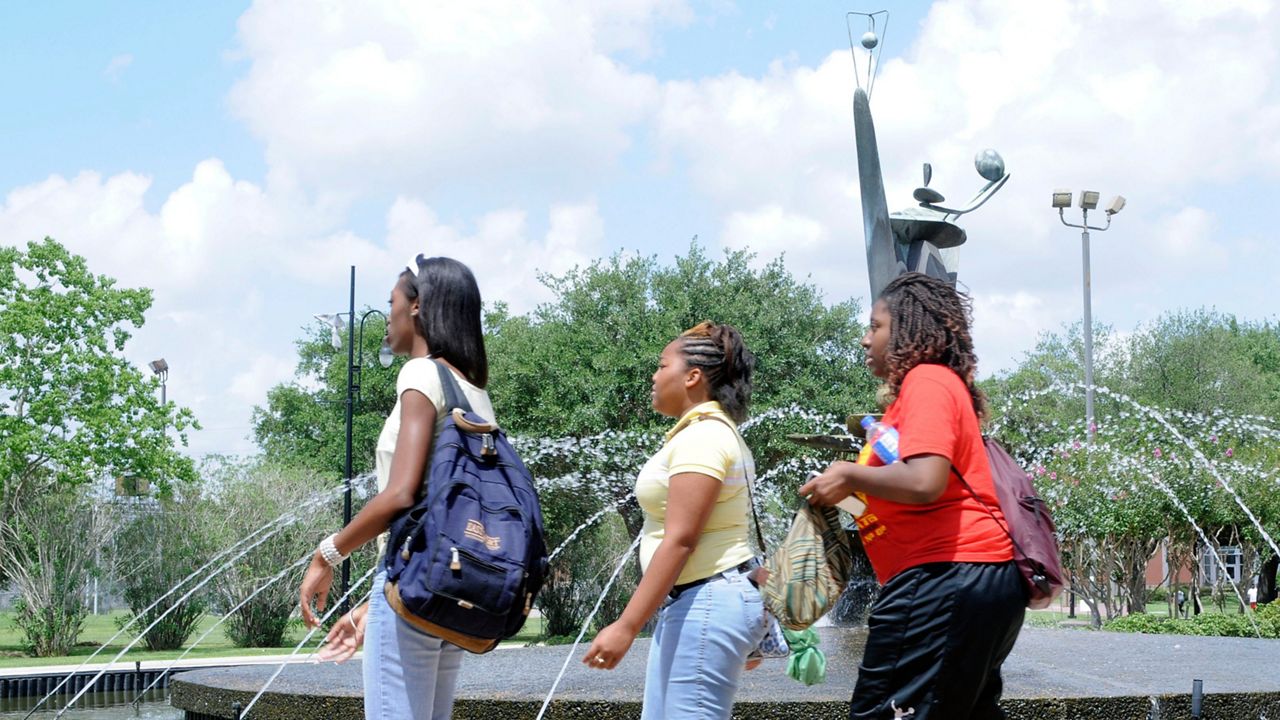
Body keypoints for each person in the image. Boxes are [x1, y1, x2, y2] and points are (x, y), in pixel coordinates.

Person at [800, 272, 1025, 720]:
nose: (865, 340)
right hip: (970, 578)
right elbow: (909, 492)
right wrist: (840, 498)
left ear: (906, 329)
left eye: (875, 327)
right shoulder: (930, 390)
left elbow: (925, 481)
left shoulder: (928, 381)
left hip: (944, 579)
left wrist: (847, 473)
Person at [298, 255, 496, 720]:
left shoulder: (421, 375)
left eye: (391, 303)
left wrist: (326, 554)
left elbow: (400, 494)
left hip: (414, 577)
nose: (386, 316)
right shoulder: (474, 392)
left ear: (417, 307)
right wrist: (376, 606)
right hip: (449, 588)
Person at [582, 321, 766, 720]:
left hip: (707, 601)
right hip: (698, 602)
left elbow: (682, 539)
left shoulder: (704, 437)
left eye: (662, 365)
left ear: (693, 377)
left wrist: (626, 626)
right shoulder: (706, 434)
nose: (654, 375)